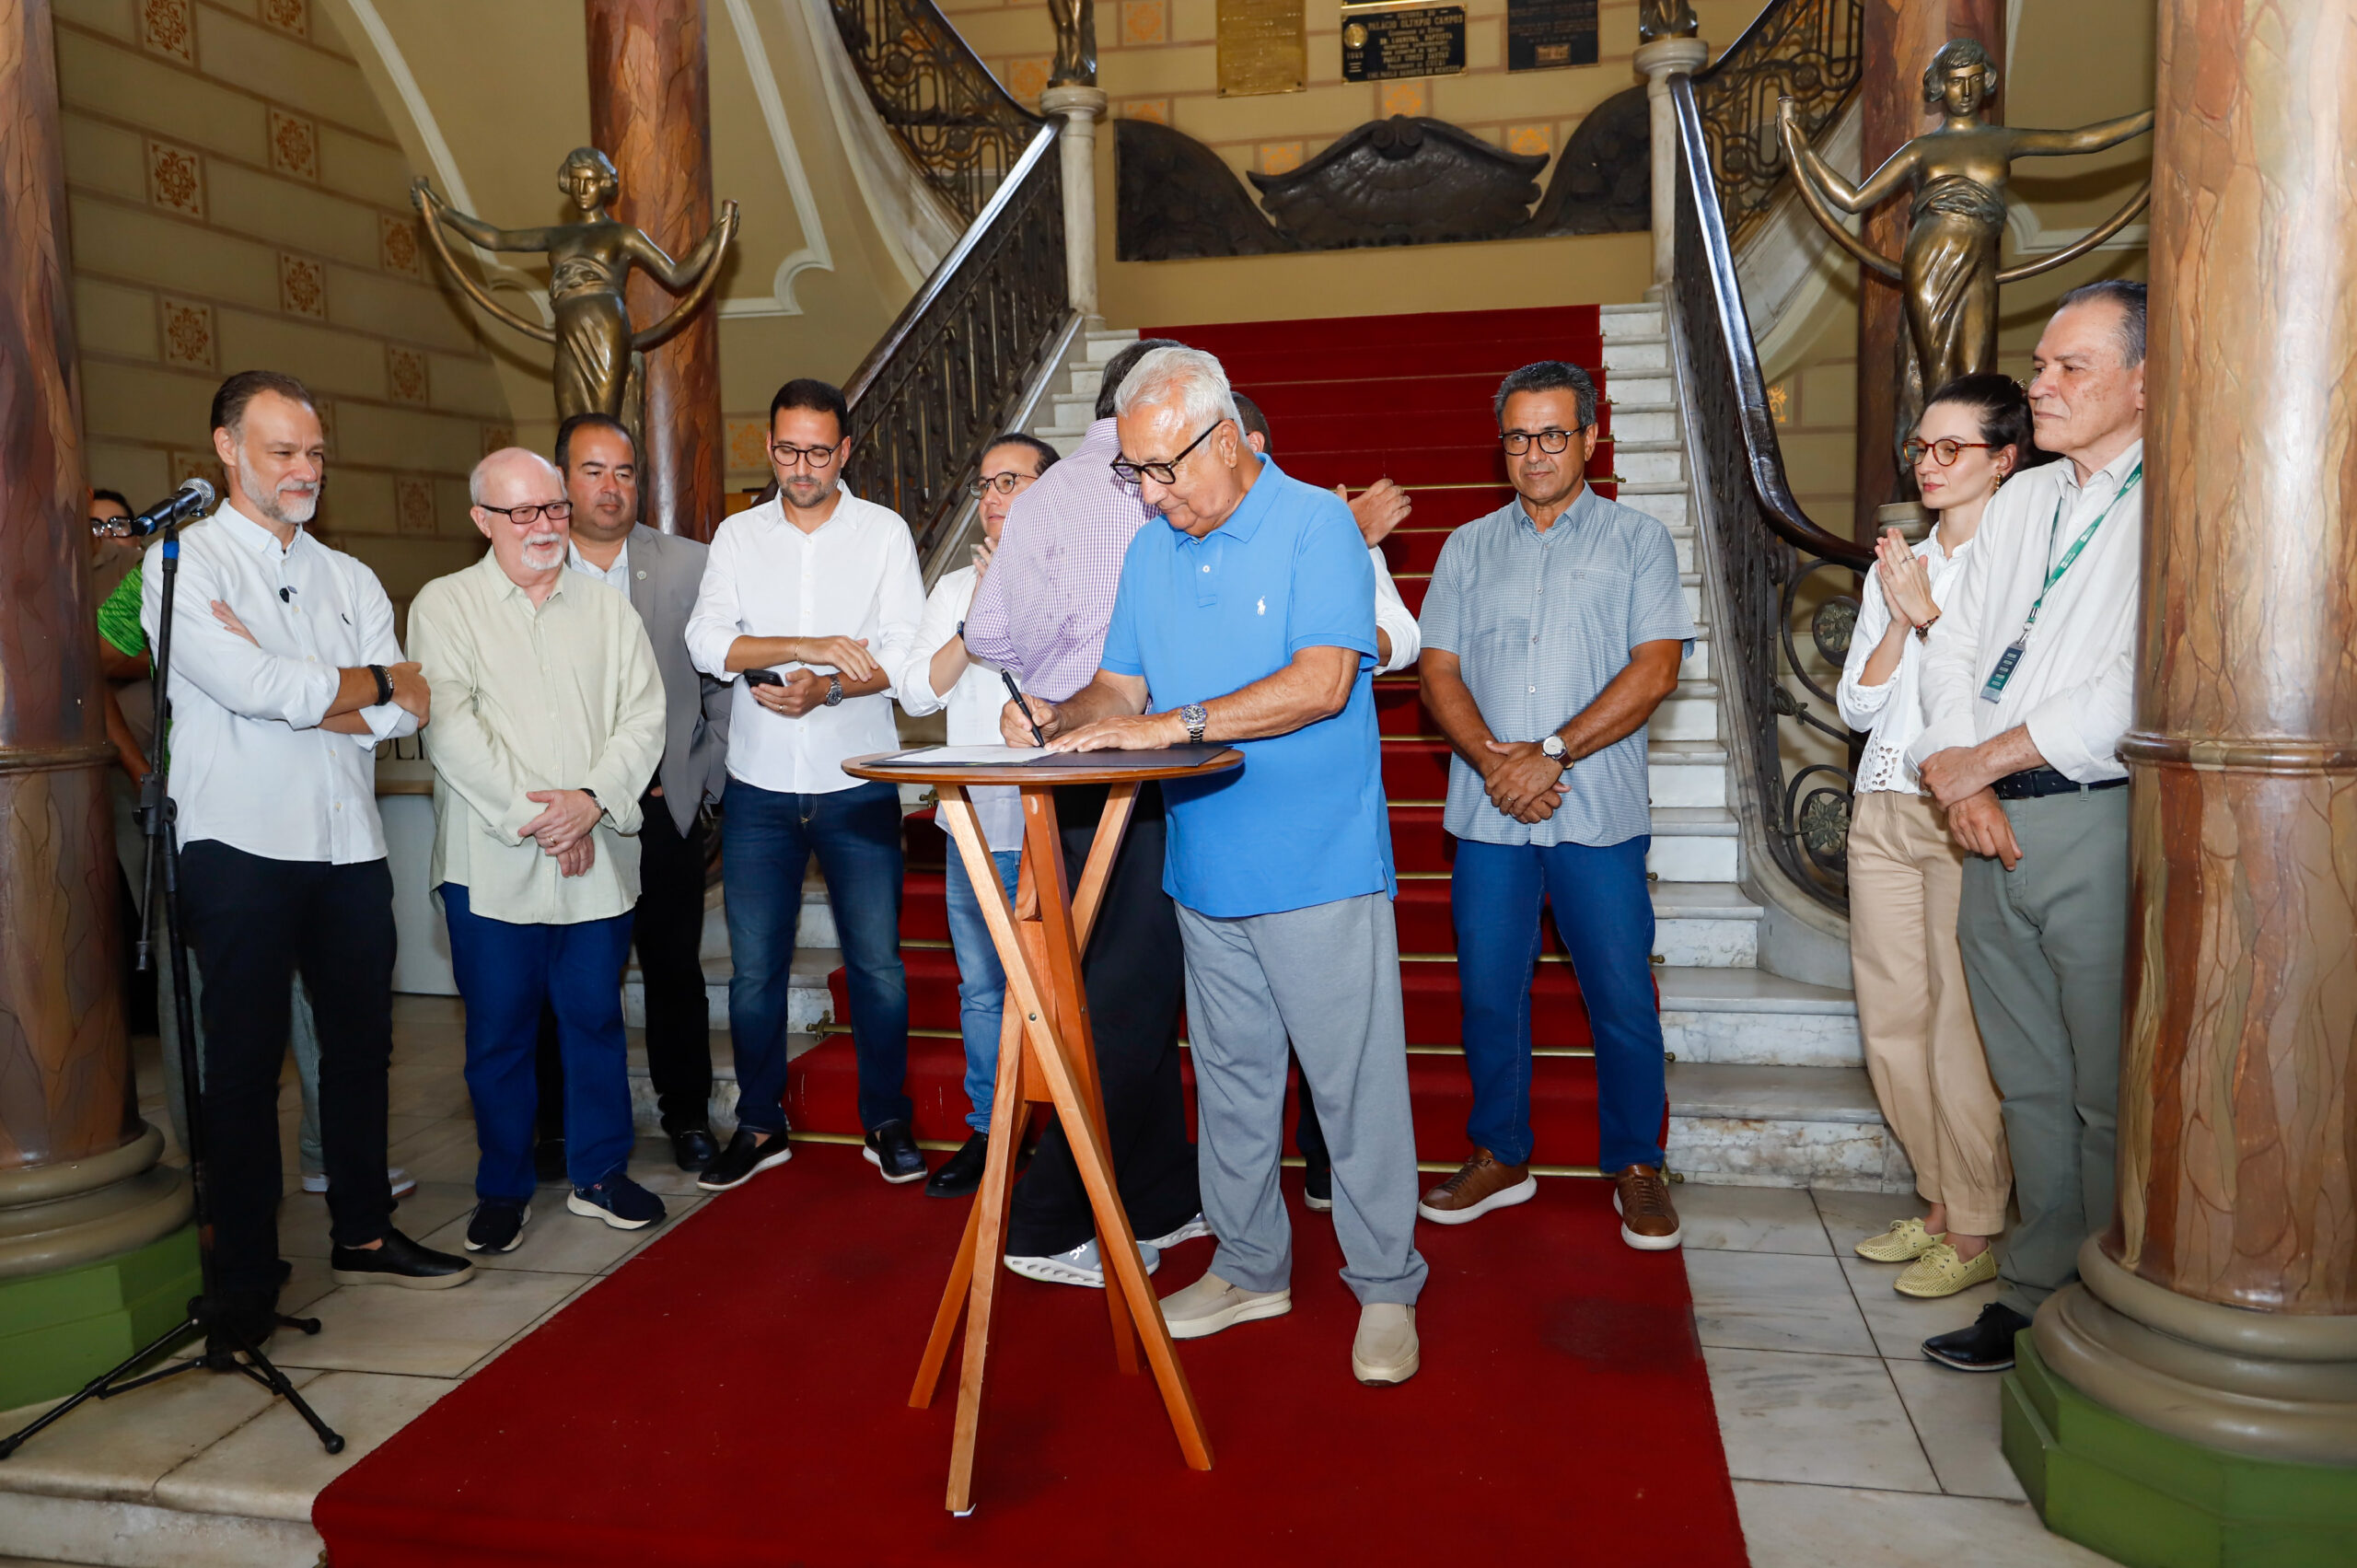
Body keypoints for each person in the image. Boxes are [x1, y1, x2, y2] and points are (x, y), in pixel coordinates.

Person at [1017, 345, 1426, 1385]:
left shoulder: (1316, 525)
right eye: (1136, 472)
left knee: (1353, 1088)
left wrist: (1174, 724)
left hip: (1317, 863)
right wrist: (1062, 716)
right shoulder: (1153, 551)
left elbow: (1322, 681)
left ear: (1231, 440)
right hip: (1205, 865)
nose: (1153, 495)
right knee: (1235, 1086)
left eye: (1165, 469)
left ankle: (1386, 1283)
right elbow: (1120, 686)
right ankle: (1250, 1265)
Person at [145, 371, 470, 1342]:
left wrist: (319, 688)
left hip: (347, 845)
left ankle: (363, 1230)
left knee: (361, 1047)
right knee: (244, 1065)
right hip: (240, 843)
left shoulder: (350, 576)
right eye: (283, 451)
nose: (305, 469)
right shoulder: (183, 564)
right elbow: (255, 687)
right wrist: (359, 682)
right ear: (226, 448)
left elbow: (400, 711)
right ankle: (247, 1274)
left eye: (315, 453)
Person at [1909, 281, 2148, 1373]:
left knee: (2106, 1091)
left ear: (2143, 381)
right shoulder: (2022, 499)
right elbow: (1953, 648)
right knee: (2030, 1080)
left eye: (2069, 367)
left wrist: (1982, 762)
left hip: (2095, 816)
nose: (2040, 385)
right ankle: (2033, 1288)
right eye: (2041, 364)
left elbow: (2135, 684)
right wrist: (1961, 782)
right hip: (1986, 819)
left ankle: (2118, 1298)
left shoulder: (2178, 499)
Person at [1414, 360, 1696, 1249]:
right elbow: (1438, 670)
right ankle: (1501, 1152)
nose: (1534, 453)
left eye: (1553, 434)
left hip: (1597, 812)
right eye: (1518, 437)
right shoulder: (1466, 548)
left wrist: (1551, 754)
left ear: (1590, 438)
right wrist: (1495, 764)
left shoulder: (1638, 541)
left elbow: (1656, 669)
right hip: (1489, 813)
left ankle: (1637, 1163)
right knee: (1488, 995)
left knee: (1621, 995)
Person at [962, 340, 1209, 1287]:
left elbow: (986, 632)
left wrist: (1048, 664)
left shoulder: (1044, 492)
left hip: (1059, 771)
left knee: (1115, 984)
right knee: (1129, 1000)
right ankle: (1044, 1217)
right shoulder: (1154, 483)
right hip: (1140, 764)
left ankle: (1157, 1192)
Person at [409, 448, 669, 1251]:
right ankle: (503, 1187)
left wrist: (588, 803)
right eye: (521, 511)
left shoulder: (608, 610)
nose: (544, 525)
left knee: (595, 1021)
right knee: (499, 1035)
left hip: (597, 860)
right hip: (491, 864)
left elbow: (644, 717)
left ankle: (600, 1173)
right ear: (482, 519)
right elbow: (451, 727)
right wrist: (546, 820)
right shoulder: (445, 605)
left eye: (553, 507)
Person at [686, 378, 927, 1191]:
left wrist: (827, 687)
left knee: (878, 965)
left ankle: (886, 1119)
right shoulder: (737, 536)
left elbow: (903, 656)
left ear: (845, 450)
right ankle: (760, 1124)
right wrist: (810, 644)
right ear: (769, 445)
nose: (802, 467)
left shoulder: (883, 533)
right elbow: (706, 642)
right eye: (788, 450)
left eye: (818, 452)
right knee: (753, 970)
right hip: (757, 787)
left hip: (856, 779)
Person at [1839, 374, 2043, 1299]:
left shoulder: (2023, 564)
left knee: (1960, 1023)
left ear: (2004, 459)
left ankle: (1975, 1221)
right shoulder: (1900, 562)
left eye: (1951, 447)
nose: (1929, 462)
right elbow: (1858, 703)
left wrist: (1923, 616)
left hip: (1961, 806)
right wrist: (1899, 614)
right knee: (1891, 1014)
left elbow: (1994, 693)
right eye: (1921, 447)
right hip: (1882, 800)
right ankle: (1934, 1201)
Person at [1229, 391, 1421, 1213]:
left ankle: (1328, 1161)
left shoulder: (1318, 525)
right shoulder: (1183, 535)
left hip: (1322, 812)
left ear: (1249, 443)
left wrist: (1335, 627)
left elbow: (1403, 637)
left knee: (1336, 1023)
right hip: (1224, 816)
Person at [528, 412, 734, 1177]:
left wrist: (704, 781)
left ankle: (687, 1114)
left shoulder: (689, 565)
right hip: (568, 813)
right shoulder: (531, 563)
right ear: (562, 480)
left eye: (623, 472)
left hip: (659, 807)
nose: (610, 487)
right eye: (592, 471)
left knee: (674, 968)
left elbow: (722, 686)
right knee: (567, 975)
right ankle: (560, 1125)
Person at [892, 432, 1059, 1199]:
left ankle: (1069, 1130)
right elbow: (917, 692)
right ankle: (995, 1129)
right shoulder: (956, 588)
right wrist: (977, 616)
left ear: (1050, 492)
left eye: (1009, 481)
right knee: (983, 989)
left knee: (1060, 986)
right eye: (985, 484)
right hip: (973, 824)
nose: (991, 497)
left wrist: (1017, 597)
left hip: (1053, 820)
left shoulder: (1076, 575)